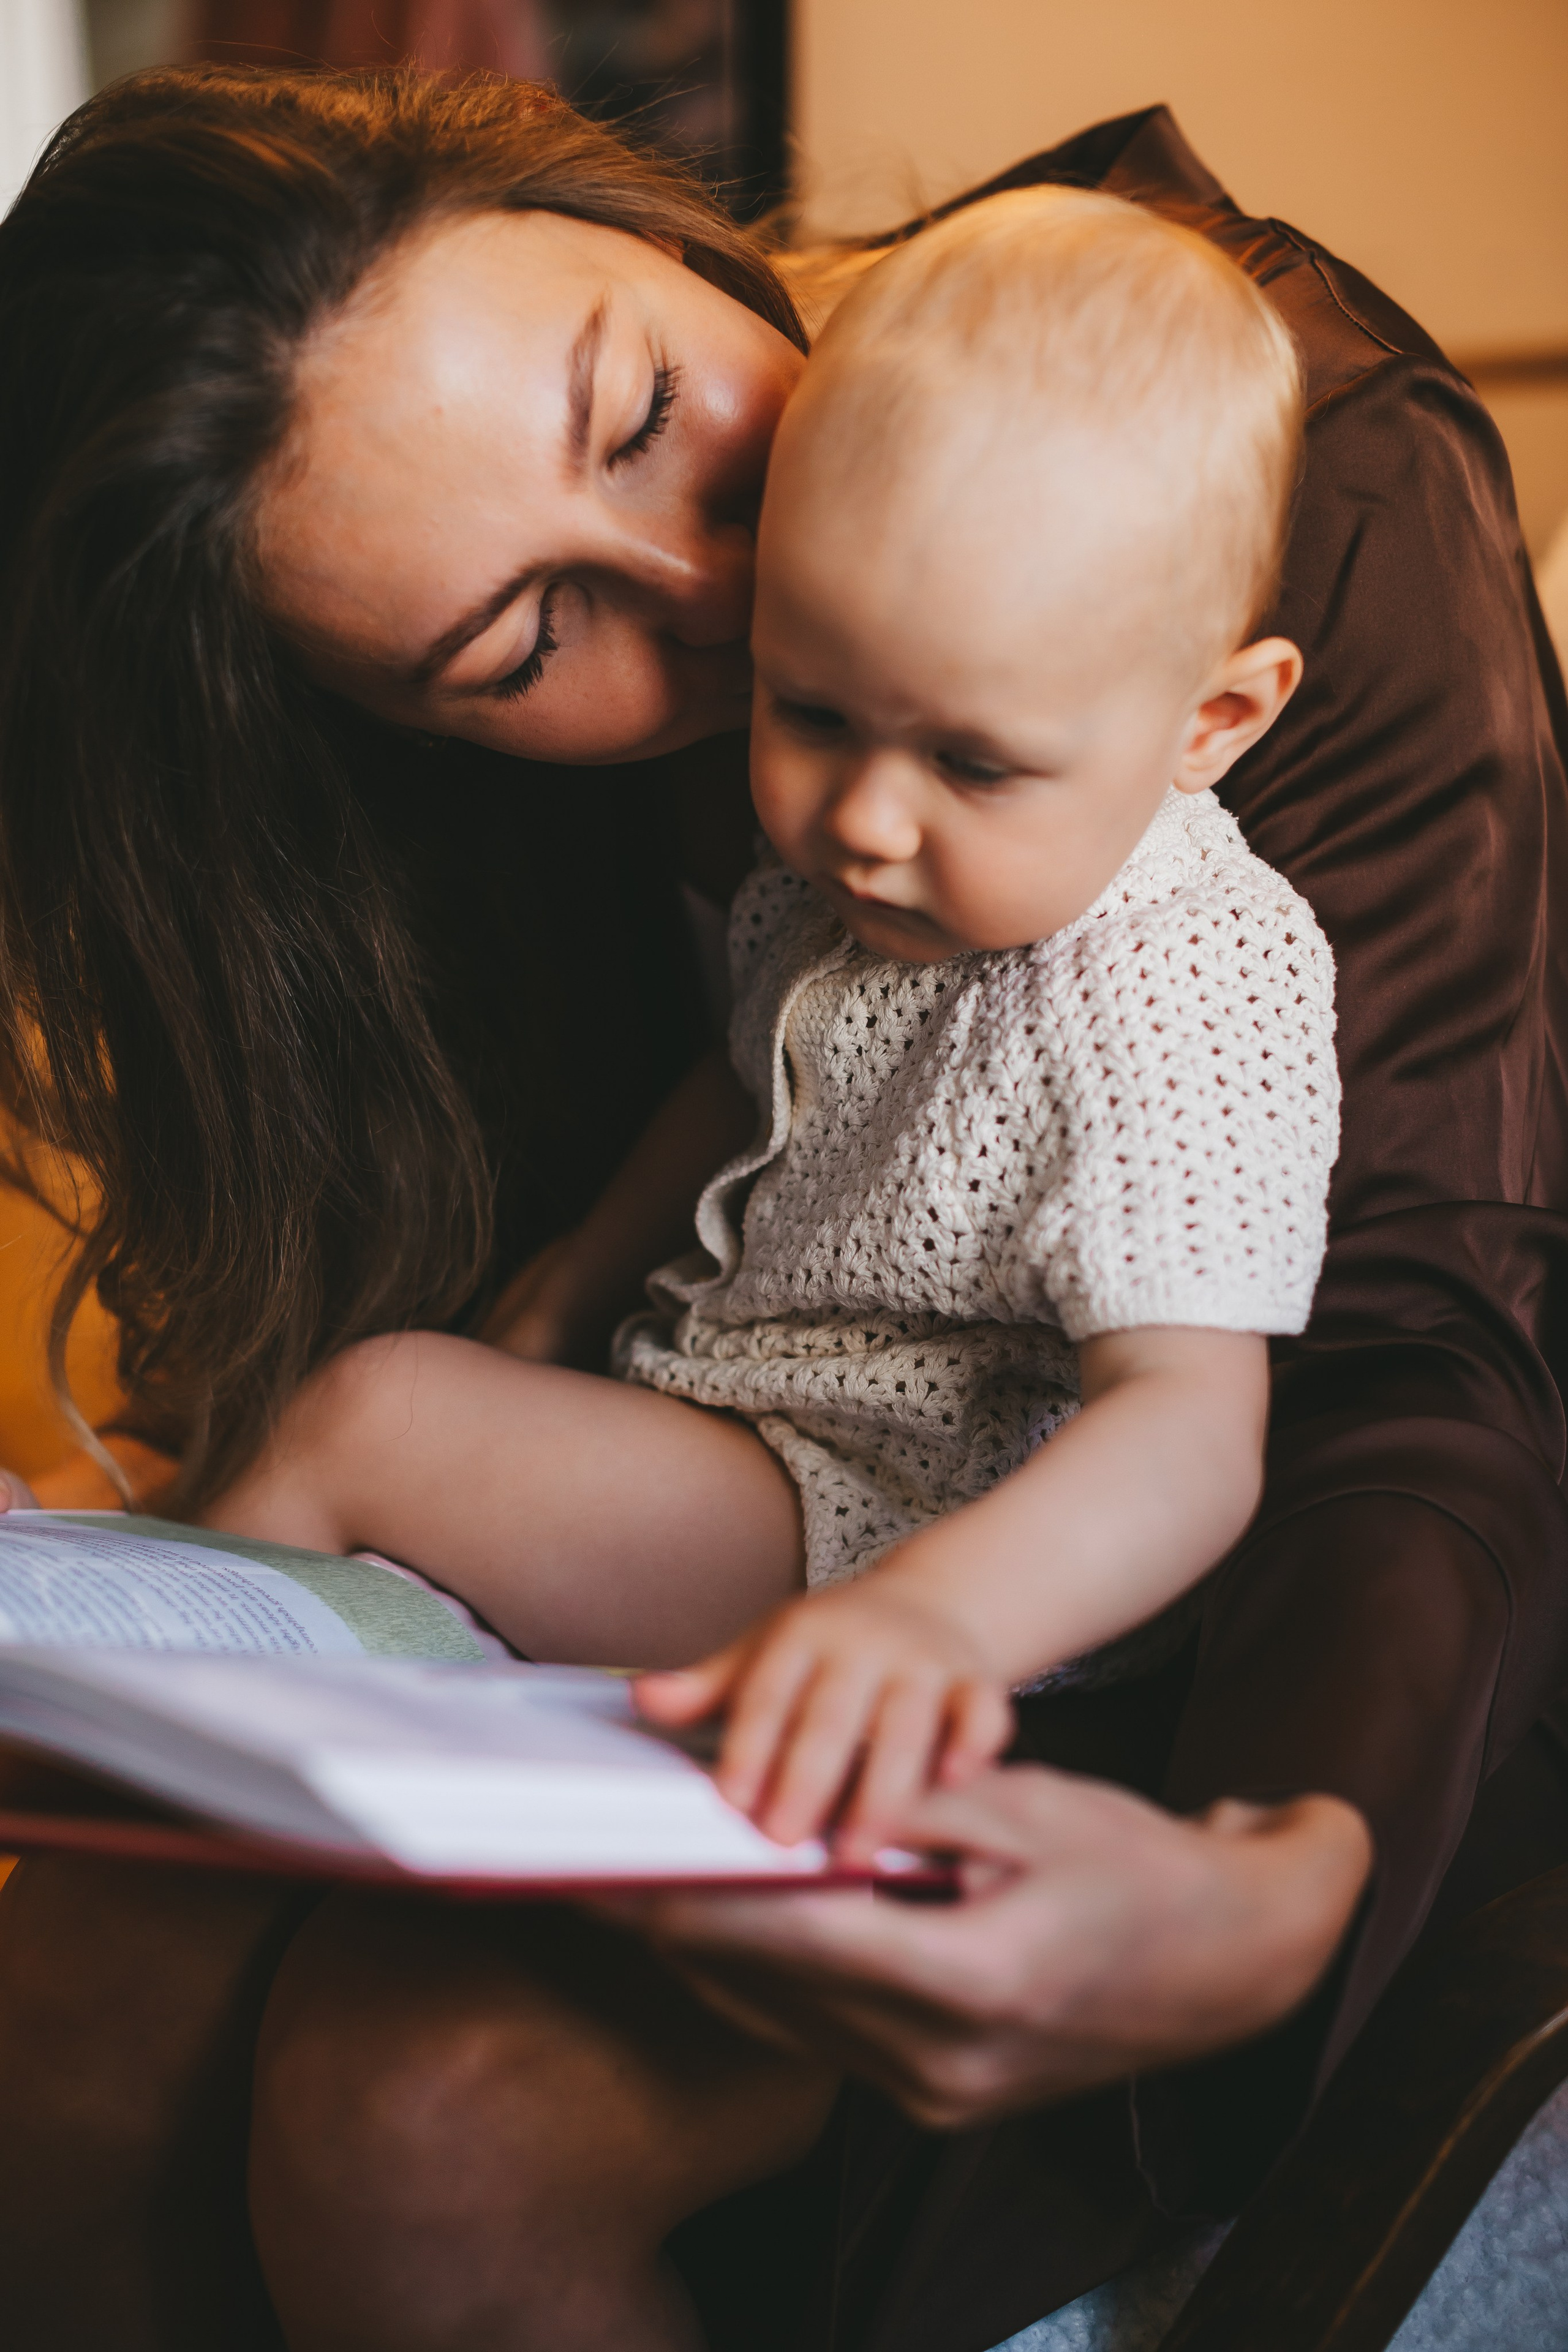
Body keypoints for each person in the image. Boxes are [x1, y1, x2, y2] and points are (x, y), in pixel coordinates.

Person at [0, 69, 1561, 2352]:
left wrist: (1267, 1872)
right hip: (745, 1455)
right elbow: (740, 1091)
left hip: (1073, 1595)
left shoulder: (1206, 628)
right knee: (92, 1975)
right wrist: (534, 1310)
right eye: (521, 649)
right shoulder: (825, 864)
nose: (733, 595)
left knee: (412, 2095)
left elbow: (1384, 1351)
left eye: (644, 411)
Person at [208, 184, 1338, 1868]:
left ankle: (124, 1661)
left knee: (368, 1421)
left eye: (970, 760)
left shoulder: (1182, 976)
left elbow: (1188, 1433)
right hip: (750, 1435)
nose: (867, 819)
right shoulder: (848, 891)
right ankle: (213, 1688)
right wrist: (567, 1290)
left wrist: (940, 1622)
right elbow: (747, 1082)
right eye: (812, 711)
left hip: (904, 1532)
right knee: (417, 1421)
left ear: (1214, 719)